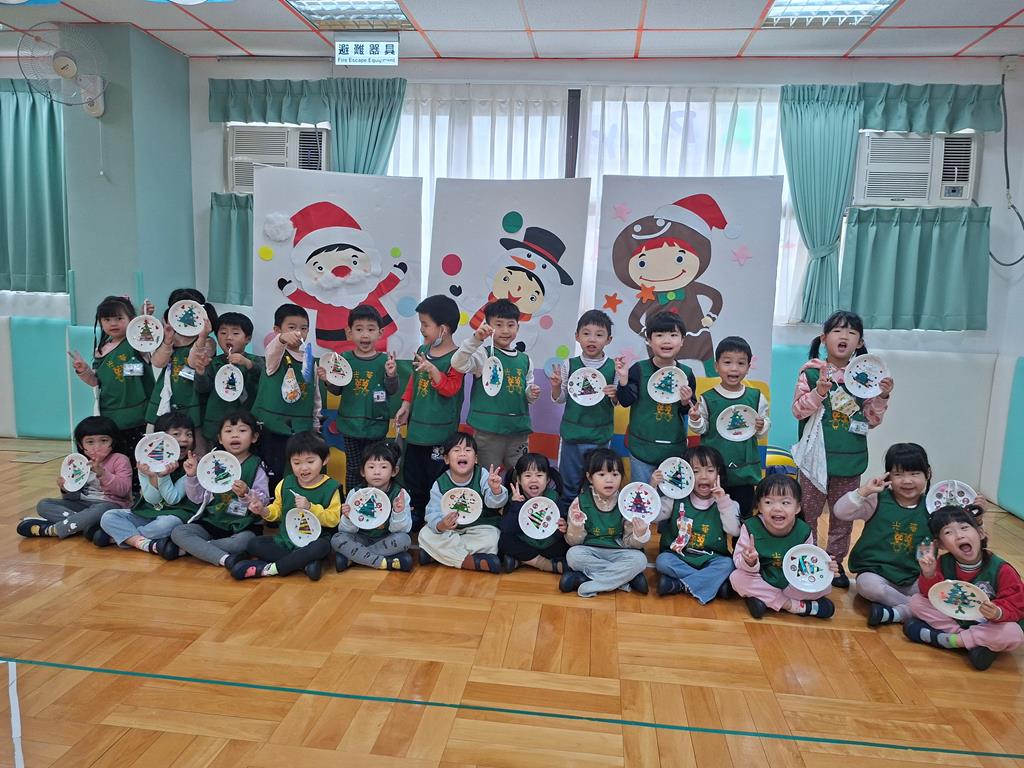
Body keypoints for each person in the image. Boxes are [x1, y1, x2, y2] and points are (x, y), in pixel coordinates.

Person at [792, 310, 894, 588]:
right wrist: (819, 392)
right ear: (824, 338)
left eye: (851, 332)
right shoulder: (811, 372)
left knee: (843, 516)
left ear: (860, 342)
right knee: (808, 513)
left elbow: (871, 420)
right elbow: (798, 411)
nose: (844, 336)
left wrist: (883, 395)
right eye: (837, 330)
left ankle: (835, 564)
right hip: (814, 460)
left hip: (850, 460)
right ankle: (809, 562)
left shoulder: (867, 378)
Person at [904, 504, 1024, 670]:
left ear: (980, 533)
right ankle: (968, 641)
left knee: (1013, 633)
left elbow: (1017, 604)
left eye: (964, 528)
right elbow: (930, 594)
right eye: (948, 532)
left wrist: (998, 612)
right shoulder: (943, 562)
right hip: (956, 618)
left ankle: (946, 640)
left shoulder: (1002, 569)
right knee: (916, 602)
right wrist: (929, 574)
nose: (959, 535)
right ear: (941, 544)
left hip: (990, 623)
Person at [833, 442, 932, 626]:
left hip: (913, 576)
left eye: (914, 473)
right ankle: (917, 610)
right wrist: (863, 491)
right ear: (888, 476)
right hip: (876, 573)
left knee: (935, 588)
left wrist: (976, 516)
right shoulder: (877, 500)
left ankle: (903, 611)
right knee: (868, 586)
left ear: (927, 473)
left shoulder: (933, 507)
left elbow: (954, 538)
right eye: (898, 474)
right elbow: (840, 512)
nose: (907, 481)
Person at [393, 295, 465, 529]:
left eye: (425, 324)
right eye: (421, 323)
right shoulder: (423, 350)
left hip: (441, 435)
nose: (421, 329)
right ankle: (415, 514)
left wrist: (433, 370)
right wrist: (406, 405)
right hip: (417, 431)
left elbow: (450, 389)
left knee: (436, 478)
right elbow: (413, 381)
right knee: (414, 474)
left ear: (443, 329)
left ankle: (435, 517)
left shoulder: (458, 358)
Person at [231, 431, 341, 581]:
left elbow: (334, 519)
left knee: (323, 546)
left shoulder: (331, 487)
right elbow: (277, 511)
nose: (303, 468)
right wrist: (263, 510)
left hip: (315, 541)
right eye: (297, 463)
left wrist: (311, 507)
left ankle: (269, 569)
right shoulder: (285, 484)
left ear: (325, 459)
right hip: (286, 540)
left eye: (310, 462)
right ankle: (304, 564)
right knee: (254, 544)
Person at [165, 411, 270, 568]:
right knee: (179, 532)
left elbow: (264, 501)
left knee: (243, 542)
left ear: (254, 437)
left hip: (244, 525)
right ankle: (225, 559)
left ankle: (192, 549)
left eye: (242, 430)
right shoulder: (210, 463)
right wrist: (192, 476)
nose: (235, 435)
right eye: (228, 431)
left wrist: (246, 493)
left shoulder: (257, 466)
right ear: (220, 438)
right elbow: (197, 498)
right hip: (213, 521)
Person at [730, 474, 837, 619]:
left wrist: (825, 567)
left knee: (825, 586)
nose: (777, 508)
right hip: (762, 577)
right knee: (737, 578)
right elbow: (738, 562)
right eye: (768, 502)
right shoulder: (750, 527)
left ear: (797, 507)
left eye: (785, 502)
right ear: (759, 506)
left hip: (791, 583)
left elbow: (807, 566)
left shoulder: (803, 531)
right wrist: (750, 562)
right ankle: (796, 606)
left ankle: (763, 599)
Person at [452, 299, 540, 471]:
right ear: (488, 326)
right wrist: (476, 339)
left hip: (518, 431)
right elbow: (458, 364)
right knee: (486, 475)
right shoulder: (483, 354)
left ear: (518, 327)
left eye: (510, 325)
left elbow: (527, 394)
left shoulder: (525, 360)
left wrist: (531, 392)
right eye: (498, 325)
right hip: (488, 431)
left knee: (520, 474)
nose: (505, 330)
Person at [320, 304, 399, 492]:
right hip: (350, 426)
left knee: (375, 467)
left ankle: (375, 500)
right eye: (359, 329)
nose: (365, 335)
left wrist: (391, 375)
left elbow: (392, 390)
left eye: (371, 329)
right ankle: (351, 502)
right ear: (349, 333)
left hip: (376, 426)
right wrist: (328, 379)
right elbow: (337, 390)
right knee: (354, 468)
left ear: (380, 333)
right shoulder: (343, 359)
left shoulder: (385, 361)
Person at [688, 336, 769, 518]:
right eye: (727, 362)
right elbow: (701, 429)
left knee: (743, 515)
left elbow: (762, 431)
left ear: (748, 367)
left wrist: (762, 425)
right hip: (714, 471)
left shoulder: (756, 396)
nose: (734, 368)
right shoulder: (707, 398)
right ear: (716, 366)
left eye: (741, 363)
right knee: (713, 516)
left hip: (744, 472)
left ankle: (742, 536)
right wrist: (695, 419)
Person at [95, 411, 199, 552]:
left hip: (175, 514)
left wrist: (163, 476)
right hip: (149, 512)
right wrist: (147, 475)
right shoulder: (148, 462)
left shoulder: (192, 465)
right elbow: (153, 500)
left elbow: (172, 499)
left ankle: (126, 537)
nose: (184, 439)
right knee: (109, 516)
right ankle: (143, 542)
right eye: (176, 434)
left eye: (189, 434)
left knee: (168, 523)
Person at [18, 416, 132, 540]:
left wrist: (102, 473)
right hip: (83, 505)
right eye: (90, 442)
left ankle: (52, 529)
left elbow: (123, 491)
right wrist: (66, 489)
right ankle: (84, 525)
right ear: (80, 445)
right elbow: (72, 498)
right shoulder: (77, 462)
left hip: (110, 505)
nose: (97, 447)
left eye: (104, 441)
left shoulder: (120, 460)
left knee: (102, 509)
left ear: (113, 442)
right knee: (43, 504)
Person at [615, 312, 697, 485]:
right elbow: (626, 401)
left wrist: (686, 402)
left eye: (673, 335)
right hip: (641, 448)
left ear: (682, 340)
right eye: (659, 335)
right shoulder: (639, 369)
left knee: (671, 494)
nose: (666, 341)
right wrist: (623, 380)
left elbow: (689, 410)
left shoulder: (686, 374)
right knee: (642, 493)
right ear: (649, 340)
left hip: (673, 448)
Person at [69, 296, 153, 460]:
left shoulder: (137, 343)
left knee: (139, 458)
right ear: (100, 322)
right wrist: (83, 370)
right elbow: (95, 382)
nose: (113, 324)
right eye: (107, 319)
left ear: (131, 319)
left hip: (139, 415)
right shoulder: (100, 350)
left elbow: (147, 336)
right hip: (110, 415)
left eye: (119, 318)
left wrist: (145, 317)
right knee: (117, 459)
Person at [560, 448, 651, 597]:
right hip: (591, 551)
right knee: (572, 555)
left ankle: (587, 581)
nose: (609, 480)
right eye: (602, 474)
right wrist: (576, 527)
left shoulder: (627, 502)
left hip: (619, 551)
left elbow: (630, 543)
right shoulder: (580, 502)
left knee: (640, 560)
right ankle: (625, 580)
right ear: (590, 477)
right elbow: (574, 542)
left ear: (621, 476)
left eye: (615, 474)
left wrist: (639, 534)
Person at [549, 310, 617, 507]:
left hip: (600, 437)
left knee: (597, 485)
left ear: (609, 339)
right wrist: (555, 386)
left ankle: (594, 520)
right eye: (586, 333)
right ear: (577, 336)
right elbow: (561, 398)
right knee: (568, 485)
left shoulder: (613, 367)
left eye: (599, 334)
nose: (592, 339)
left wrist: (615, 394)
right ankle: (564, 519)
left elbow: (616, 402)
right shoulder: (569, 365)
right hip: (572, 435)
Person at [654, 445, 739, 603]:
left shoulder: (727, 503)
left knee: (728, 564)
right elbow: (653, 515)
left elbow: (734, 531)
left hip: (711, 558)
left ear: (719, 473)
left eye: (710, 470)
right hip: (678, 556)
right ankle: (711, 583)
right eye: (695, 471)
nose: (703, 476)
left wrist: (722, 501)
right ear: (685, 474)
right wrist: (652, 487)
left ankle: (679, 585)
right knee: (662, 561)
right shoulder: (675, 499)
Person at [251, 304, 322, 488]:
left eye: (304, 328)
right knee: (272, 472)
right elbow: (272, 349)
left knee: (296, 473)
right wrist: (281, 339)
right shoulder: (275, 356)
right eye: (292, 327)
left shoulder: (310, 359)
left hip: (301, 430)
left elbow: (315, 396)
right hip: (272, 428)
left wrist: (315, 425)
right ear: (277, 330)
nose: (298, 333)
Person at [418, 432, 508, 573]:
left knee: (494, 538)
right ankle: (469, 561)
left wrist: (495, 490)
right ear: (446, 459)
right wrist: (441, 525)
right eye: (456, 450)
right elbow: (432, 512)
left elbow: (495, 504)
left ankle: (438, 555)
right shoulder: (440, 483)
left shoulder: (483, 475)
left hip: (480, 528)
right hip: (450, 531)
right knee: (425, 534)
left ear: (476, 459)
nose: (462, 453)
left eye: (467, 450)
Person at [331, 440, 412, 572]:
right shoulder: (355, 493)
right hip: (360, 538)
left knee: (404, 539)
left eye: (383, 467)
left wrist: (398, 512)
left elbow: (403, 530)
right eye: (371, 467)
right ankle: (385, 563)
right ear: (362, 471)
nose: (377, 472)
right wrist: (348, 517)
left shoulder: (400, 494)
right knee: (337, 539)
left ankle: (355, 558)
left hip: (386, 539)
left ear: (394, 471)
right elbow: (345, 530)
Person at [194, 312, 263, 445]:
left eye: (235, 333)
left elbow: (263, 377)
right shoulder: (213, 362)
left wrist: (247, 363)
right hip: (216, 424)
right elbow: (202, 389)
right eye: (223, 333)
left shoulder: (255, 360)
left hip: (246, 424)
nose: (228, 337)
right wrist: (200, 372)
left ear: (248, 339)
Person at [498, 452, 568, 574]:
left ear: (547, 479)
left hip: (548, 543)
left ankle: (521, 561)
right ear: (519, 480)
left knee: (566, 546)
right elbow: (507, 528)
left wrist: (563, 526)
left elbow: (562, 522)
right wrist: (516, 506)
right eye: (528, 475)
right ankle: (547, 565)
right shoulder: (515, 498)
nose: (534, 480)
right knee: (505, 541)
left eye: (539, 475)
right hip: (525, 542)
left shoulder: (554, 498)